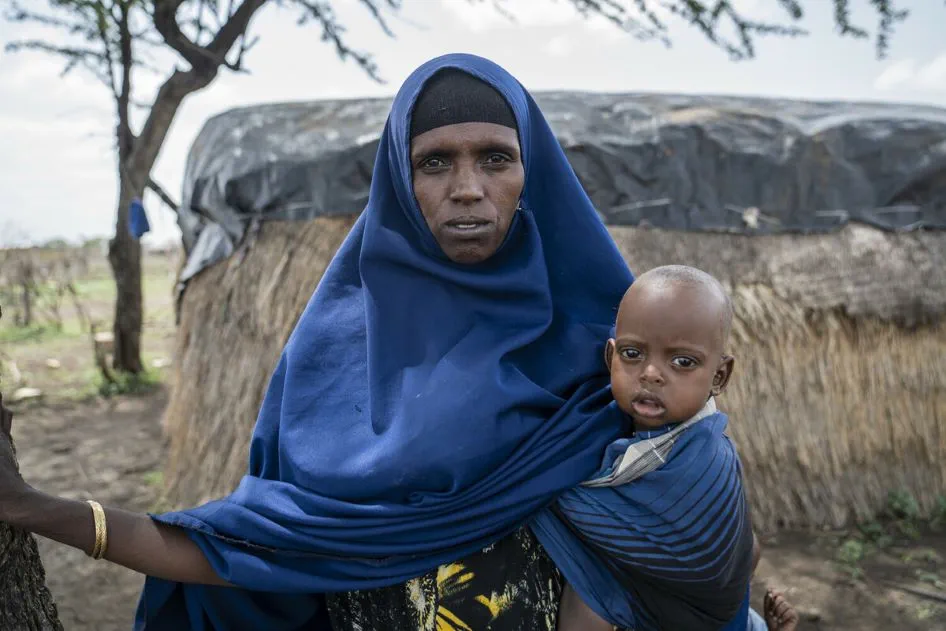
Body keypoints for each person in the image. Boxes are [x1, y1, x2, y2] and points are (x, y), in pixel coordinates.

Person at [0, 54, 637, 631]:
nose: (467, 187)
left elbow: (692, 536)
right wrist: (38, 511)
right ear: (399, 180)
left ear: (534, 171)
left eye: (495, 158)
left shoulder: (621, 353)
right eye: (433, 162)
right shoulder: (332, 359)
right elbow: (261, 547)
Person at [535, 265, 799, 631]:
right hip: (696, 608)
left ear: (719, 376)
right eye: (632, 354)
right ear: (610, 358)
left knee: (588, 600)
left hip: (712, 617)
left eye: (682, 362)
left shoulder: (709, 459)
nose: (651, 373)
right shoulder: (594, 428)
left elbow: (726, 559)